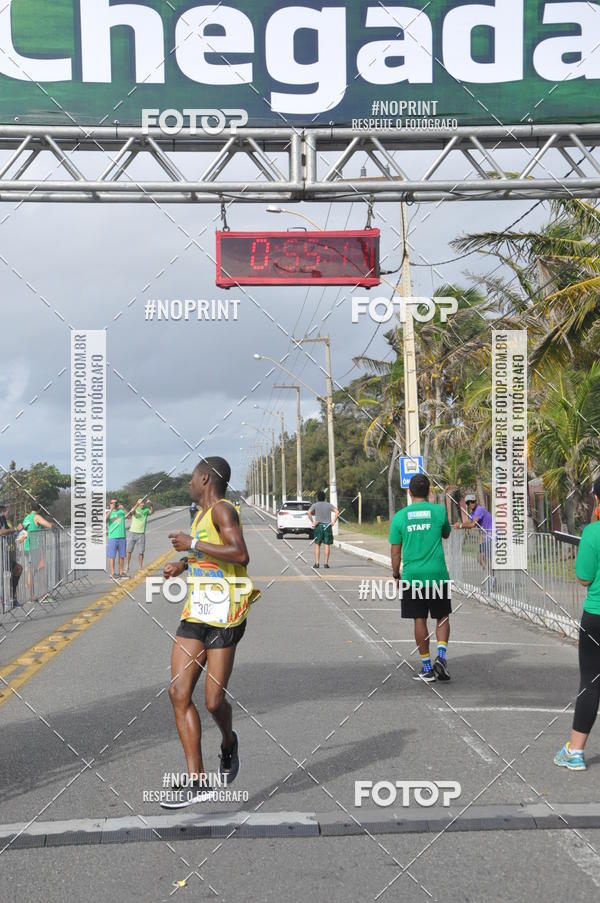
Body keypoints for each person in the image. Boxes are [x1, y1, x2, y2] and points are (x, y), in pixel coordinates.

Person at [161, 456, 260, 808]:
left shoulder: (222, 510)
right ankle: (197, 780)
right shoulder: (201, 516)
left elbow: (240, 553)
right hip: (196, 611)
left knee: (213, 701)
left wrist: (192, 544)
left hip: (225, 615)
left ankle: (228, 742)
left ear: (205, 478)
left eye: (191, 477)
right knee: (177, 691)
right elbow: (208, 552)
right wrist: (183, 563)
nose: (188, 483)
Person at [554, 477, 600, 771]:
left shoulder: (593, 532)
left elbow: (583, 577)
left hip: (596, 617)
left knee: (591, 682)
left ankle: (575, 751)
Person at [390, 473, 452, 682]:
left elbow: (395, 552)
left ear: (409, 492)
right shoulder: (439, 511)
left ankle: (427, 667)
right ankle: (441, 656)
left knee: (419, 619)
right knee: (442, 616)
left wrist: (396, 574)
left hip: (413, 576)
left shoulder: (400, 517)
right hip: (437, 574)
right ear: (428, 491)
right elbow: (446, 533)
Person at [18, 502, 53, 596]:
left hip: (27, 547)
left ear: (30, 507)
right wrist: (51, 522)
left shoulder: (26, 518)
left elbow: (23, 533)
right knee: (39, 570)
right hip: (35, 547)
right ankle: (43, 595)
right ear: (40, 509)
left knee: (33, 570)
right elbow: (49, 525)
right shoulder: (36, 517)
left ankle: (33, 596)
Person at [455, 493, 493, 571]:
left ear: (475, 501)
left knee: (489, 559)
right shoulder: (473, 512)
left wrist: (460, 526)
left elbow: (473, 525)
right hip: (485, 537)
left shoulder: (479, 509)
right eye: (468, 503)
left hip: (491, 536)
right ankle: (489, 573)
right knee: (480, 558)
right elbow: (469, 521)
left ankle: (491, 576)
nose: (470, 504)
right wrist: (460, 524)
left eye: (472, 501)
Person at [308, 490, 339, 569]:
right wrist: (334, 521)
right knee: (327, 545)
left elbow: (309, 512)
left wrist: (313, 521)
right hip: (327, 526)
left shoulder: (315, 505)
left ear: (317, 497)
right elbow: (336, 511)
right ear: (325, 497)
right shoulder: (329, 505)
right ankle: (326, 563)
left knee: (317, 545)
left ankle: (317, 563)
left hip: (318, 526)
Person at [0, 502, 23, 606]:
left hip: (4, 552)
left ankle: (12, 598)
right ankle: (4, 601)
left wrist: (20, 531)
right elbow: (1, 532)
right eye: (7, 508)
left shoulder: (3, 519)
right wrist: (14, 529)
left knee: (18, 569)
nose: (8, 511)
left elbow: (8, 532)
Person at [124, 497, 154, 573]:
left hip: (141, 534)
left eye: (143, 502)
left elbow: (152, 512)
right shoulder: (135, 509)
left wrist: (151, 505)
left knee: (141, 552)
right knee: (129, 551)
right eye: (140, 502)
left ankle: (140, 567)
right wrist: (136, 504)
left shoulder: (146, 510)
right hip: (132, 532)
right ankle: (127, 566)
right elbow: (132, 512)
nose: (142, 503)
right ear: (138, 503)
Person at [106, 498, 126, 578]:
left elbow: (129, 516)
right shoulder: (109, 513)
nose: (114, 504)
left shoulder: (121, 512)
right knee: (112, 556)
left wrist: (123, 508)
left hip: (122, 536)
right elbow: (105, 520)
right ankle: (113, 573)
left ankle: (121, 572)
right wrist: (111, 509)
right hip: (113, 537)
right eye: (112, 503)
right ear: (110, 504)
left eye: (116, 503)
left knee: (121, 556)